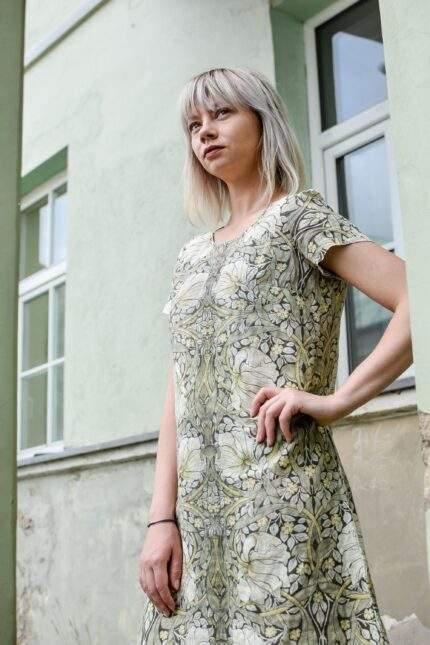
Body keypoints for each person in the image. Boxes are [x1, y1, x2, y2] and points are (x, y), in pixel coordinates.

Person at [137, 67, 412, 644]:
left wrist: (337, 401)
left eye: (222, 113)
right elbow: (178, 389)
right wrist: (161, 518)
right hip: (197, 520)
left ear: (263, 122)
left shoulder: (298, 218)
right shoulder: (190, 256)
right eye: (193, 124)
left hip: (279, 498)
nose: (204, 131)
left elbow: (418, 299)